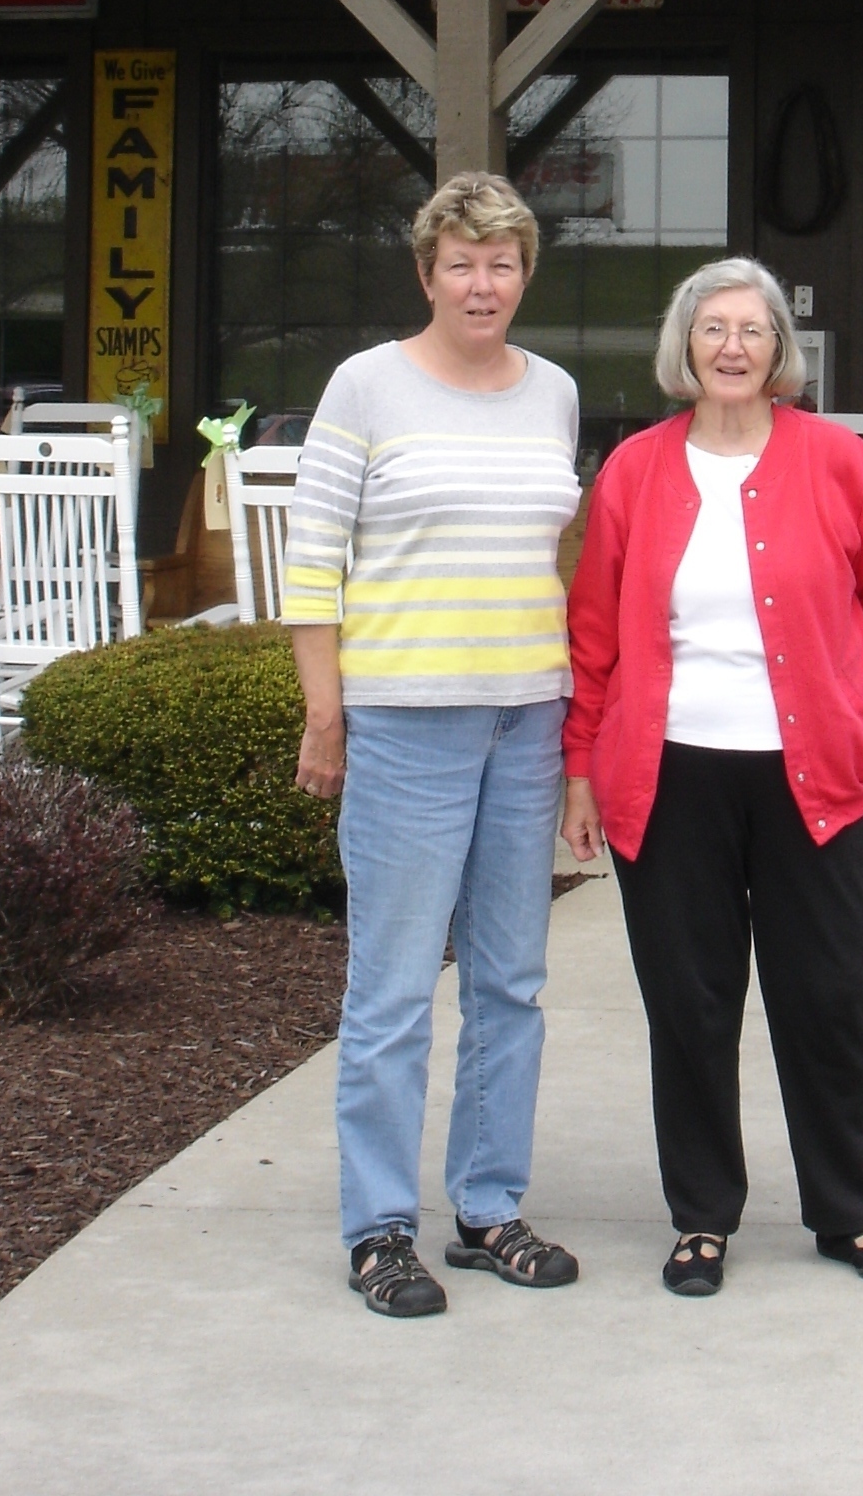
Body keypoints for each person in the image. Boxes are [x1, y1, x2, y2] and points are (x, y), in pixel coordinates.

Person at [563, 256, 863, 1297]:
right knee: (691, 1002)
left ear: (778, 351)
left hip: (816, 779)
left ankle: (847, 1214)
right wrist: (580, 766)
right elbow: (595, 631)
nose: (732, 346)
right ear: (685, 346)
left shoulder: (840, 461)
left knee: (828, 995)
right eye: (712, 328)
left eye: (751, 329)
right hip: (670, 776)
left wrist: (831, 677)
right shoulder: (634, 470)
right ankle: (702, 1218)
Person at [286, 171, 582, 1318]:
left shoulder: (554, 393)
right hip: (407, 724)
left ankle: (488, 1209)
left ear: (525, 275)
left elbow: (550, 556)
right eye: (462, 263)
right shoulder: (366, 386)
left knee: (511, 983)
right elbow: (312, 561)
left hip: (527, 721)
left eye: (502, 263)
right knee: (395, 990)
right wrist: (326, 715)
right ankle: (379, 1230)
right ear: (427, 275)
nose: (482, 284)